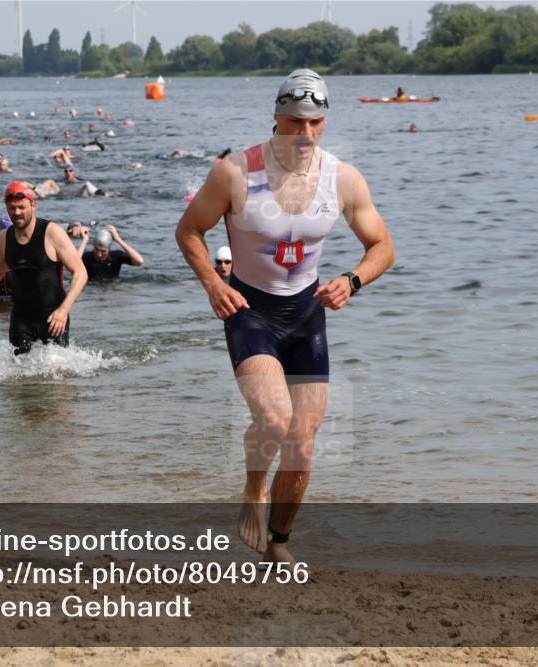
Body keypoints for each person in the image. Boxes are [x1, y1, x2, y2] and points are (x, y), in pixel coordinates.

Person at [174, 69, 395, 564]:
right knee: (274, 422)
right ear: (276, 117)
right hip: (250, 309)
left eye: (315, 122)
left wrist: (353, 280)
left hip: (306, 314)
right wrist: (213, 283)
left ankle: (278, 544)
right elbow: (189, 230)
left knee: (303, 444)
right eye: (295, 121)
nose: (305, 133)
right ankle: (253, 489)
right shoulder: (235, 172)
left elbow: (382, 246)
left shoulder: (343, 178)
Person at [0, 181, 87, 355]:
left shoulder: (52, 232)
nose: (17, 213)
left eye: (21, 207)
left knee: (59, 375)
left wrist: (64, 310)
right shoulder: (4, 238)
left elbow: (80, 273)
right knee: (17, 375)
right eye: (11, 208)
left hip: (53, 317)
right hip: (21, 319)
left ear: (33, 205)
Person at [72, 224, 143, 280]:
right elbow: (73, 264)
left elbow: (139, 261)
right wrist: (84, 241)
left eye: (103, 251)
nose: (99, 254)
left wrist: (118, 239)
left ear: (109, 249)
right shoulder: (87, 257)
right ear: (93, 246)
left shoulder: (116, 257)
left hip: (111, 290)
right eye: (96, 249)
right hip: (92, 290)